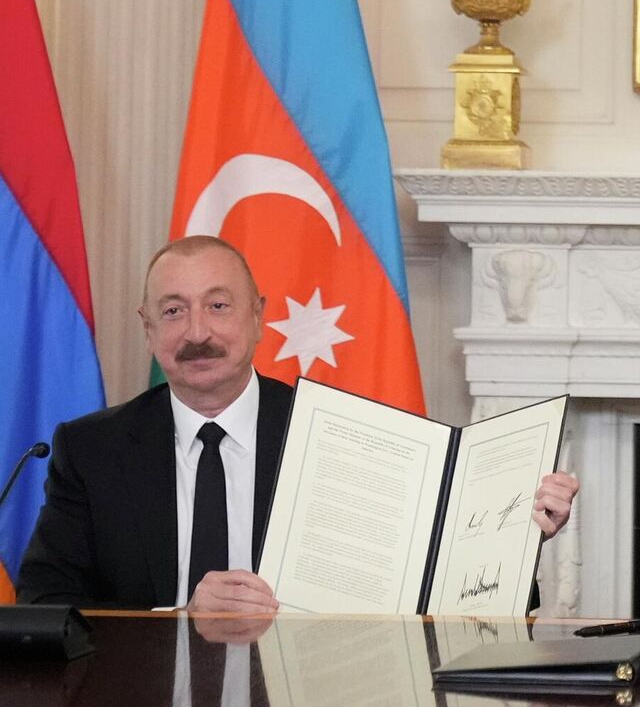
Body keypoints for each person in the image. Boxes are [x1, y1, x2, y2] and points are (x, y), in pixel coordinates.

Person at [16, 234, 580, 611]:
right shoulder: (92, 450)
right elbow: (46, 607)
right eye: (173, 311)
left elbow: (433, 592)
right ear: (148, 329)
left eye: (218, 306)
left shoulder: (344, 438)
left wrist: (512, 536)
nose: (196, 332)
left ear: (258, 316)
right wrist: (179, 617)